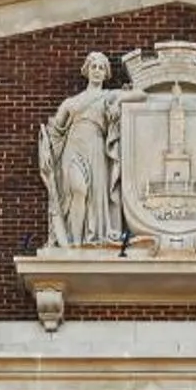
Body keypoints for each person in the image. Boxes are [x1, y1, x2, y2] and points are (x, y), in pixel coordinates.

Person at [37, 52, 124, 249]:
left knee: (94, 196)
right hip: (73, 149)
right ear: (86, 70)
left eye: (101, 67)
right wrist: (47, 154)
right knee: (78, 190)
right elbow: (55, 132)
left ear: (106, 73)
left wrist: (117, 102)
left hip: (96, 148)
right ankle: (75, 242)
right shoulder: (71, 102)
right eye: (93, 66)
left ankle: (89, 238)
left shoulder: (108, 96)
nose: (97, 71)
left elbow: (140, 94)